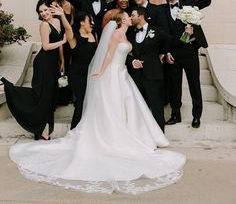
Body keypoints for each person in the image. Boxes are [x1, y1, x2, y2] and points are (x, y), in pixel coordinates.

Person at [8, 11, 185, 194]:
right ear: (121, 20)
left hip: (123, 73)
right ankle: (116, 138)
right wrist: (101, 72)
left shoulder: (126, 33)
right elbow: (108, 55)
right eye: (127, 16)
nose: (130, 17)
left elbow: (126, 53)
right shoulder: (116, 33)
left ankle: (133, 136)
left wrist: (134, 62)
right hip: (113, 74)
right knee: (114, 106)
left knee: (129, 105)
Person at [0, 0, 66, 140]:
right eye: (41, 11)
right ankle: (6, 87)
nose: (44, 13)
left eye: (46, 10)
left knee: (49, 97)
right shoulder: (44, 25)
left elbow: (59, 45)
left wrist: (62, 61)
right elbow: (46, 46)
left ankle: (41, 127)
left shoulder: (58, 21)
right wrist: (63, 41)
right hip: (43, 63)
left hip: (53, 63)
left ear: (51, 9)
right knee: (39, 95)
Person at [158, 0, 211, 128]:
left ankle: (196, 115)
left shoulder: (188, 2)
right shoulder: (161, 10)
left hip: (189, 52)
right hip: (172, 53)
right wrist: (166, 52)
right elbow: (163, 33)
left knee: (194, 83)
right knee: (174, 85)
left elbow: (206, 2)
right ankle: (175, 114)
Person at [50, 4, 97, 129]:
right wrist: (62, 16)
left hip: (91, 75)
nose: (92, 23)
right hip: (77, 75)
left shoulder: (94, 35)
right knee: (81, 101)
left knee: (91, 102)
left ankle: (87, 129)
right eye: (89, 21)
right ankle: (74, 130)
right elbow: (68, 29)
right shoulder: (74, 38)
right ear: (82, 22)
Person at [127, 6, 171, 132]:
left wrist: (163, 53)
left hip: (153, 74)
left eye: (133, 15)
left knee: (156, 106)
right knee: (140, 107)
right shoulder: (130, 33)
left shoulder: (156, 31)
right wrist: (132, 61)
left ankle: (159, 135)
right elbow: (124, 53)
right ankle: (143, 135)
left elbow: (169, 40)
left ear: (141, 16)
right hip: (136, 76)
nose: (131, 17)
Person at [52, 0, 74, 106]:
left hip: (68, 39)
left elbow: (71, 22)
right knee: (60, 66)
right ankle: (58, 98)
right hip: (58, 39)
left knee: (68, 67)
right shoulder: (54, 5)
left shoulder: (70, 5)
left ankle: (67, 96)